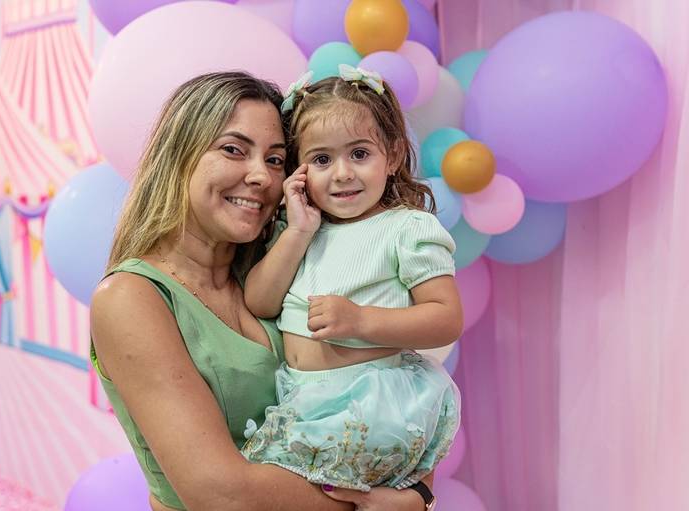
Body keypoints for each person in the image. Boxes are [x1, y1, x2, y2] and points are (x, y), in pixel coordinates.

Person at [90, 71, 436, 511]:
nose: (261, 176)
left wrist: (419, 494)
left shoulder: (283, 266)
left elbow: (394, 393)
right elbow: (222, 494)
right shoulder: (131, 297)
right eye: (233, 150)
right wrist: (375, 505)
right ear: (179, 156)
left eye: (275, 160)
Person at [241, 66, 462, 496]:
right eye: (321, 160)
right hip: (303, 399)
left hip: (367, 401)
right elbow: (260, 302)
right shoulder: (300, 230)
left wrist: (361, 320)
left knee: (269, 492)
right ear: (298, 170)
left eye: (359, 154)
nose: (342, 173)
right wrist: (298, 231)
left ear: (392, 156)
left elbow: (445, 318)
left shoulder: (406, 228)